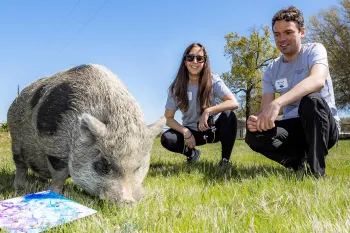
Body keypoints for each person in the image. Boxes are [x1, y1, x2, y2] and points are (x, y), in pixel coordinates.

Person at [245, 6, 340, 177]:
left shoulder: (315, 50)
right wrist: (259, 121)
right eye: (277, 34)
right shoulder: (271, 69)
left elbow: (317, 80)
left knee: (311, 100)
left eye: (288, 32)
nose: (282, 39)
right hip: (294, 127)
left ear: (302, 32)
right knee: (253, 135)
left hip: (322, 124)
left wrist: (279, 102)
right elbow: (267, 110)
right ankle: (297, 163)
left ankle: (317, 173)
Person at [161, 43, 239, 166]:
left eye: (199, 58)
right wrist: (185, 132)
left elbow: (233, 102)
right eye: (190, 57)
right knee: (167, 138)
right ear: (184, 61)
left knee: (229, 115)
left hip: (211, 127)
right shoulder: (176, 87)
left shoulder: (213, 79)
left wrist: (208, 111)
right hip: (192, 132)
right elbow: (168, 118)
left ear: (205, 61)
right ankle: (192, 154)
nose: (195, 61)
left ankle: (225, 161)